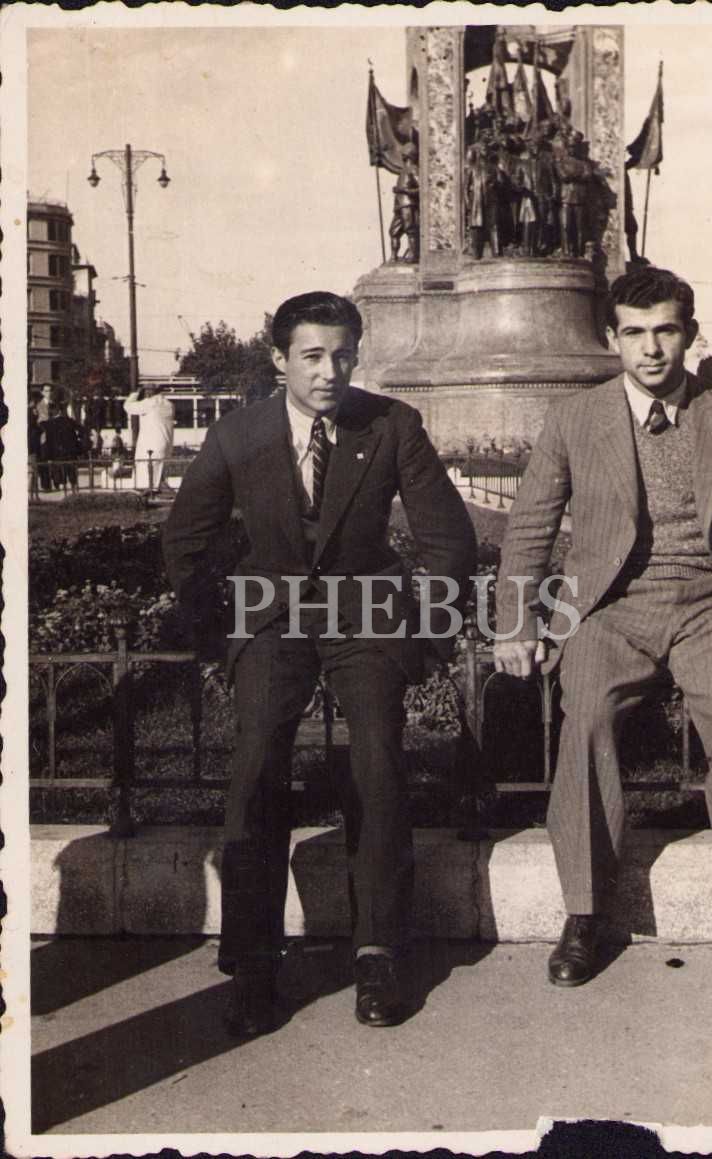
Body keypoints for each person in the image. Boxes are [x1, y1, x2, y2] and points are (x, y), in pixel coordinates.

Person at [163, 291, 476, 1037]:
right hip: (271, 614)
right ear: (279, 360)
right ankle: (253, 963)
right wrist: (220, 639)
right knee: (256, 760)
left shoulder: (392, 425)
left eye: (342, 355)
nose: (329, 372)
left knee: (377, 759)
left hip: (364, 613)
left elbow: (448, 539)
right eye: (311, 356)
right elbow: (187, 541)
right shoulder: (239, 434)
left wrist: (425, 639)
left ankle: (379, 953)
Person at [495, 267, 712, 991]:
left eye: (665, 331)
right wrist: (516, 623)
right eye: (634, 333)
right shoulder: (575, 418)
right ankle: (585, 912)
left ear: (689, 333)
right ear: (612, 338)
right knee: (585, 715)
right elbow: (530, 527)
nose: (650, 349)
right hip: (609, 608)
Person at [124, 384, 175, 491]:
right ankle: (158, 489)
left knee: (147, 475)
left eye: (147, 390)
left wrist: (135, 393)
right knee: (159, 473)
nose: (146, 393)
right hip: (165, 444)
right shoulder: (169, 405)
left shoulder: (150, 403)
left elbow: (127, 407)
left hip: (150, 445)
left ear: (151, 392)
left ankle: (148, 492)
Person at [41, 401, 85, 494]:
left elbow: (47, 441)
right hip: (70, 452)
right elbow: (82, 430)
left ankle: (62, 488)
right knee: (71, 471)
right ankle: (73, 488)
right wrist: (76, 441)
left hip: (57, 453)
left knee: (59, 471)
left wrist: (47, 455)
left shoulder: (48, 424)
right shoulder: (69, 421)